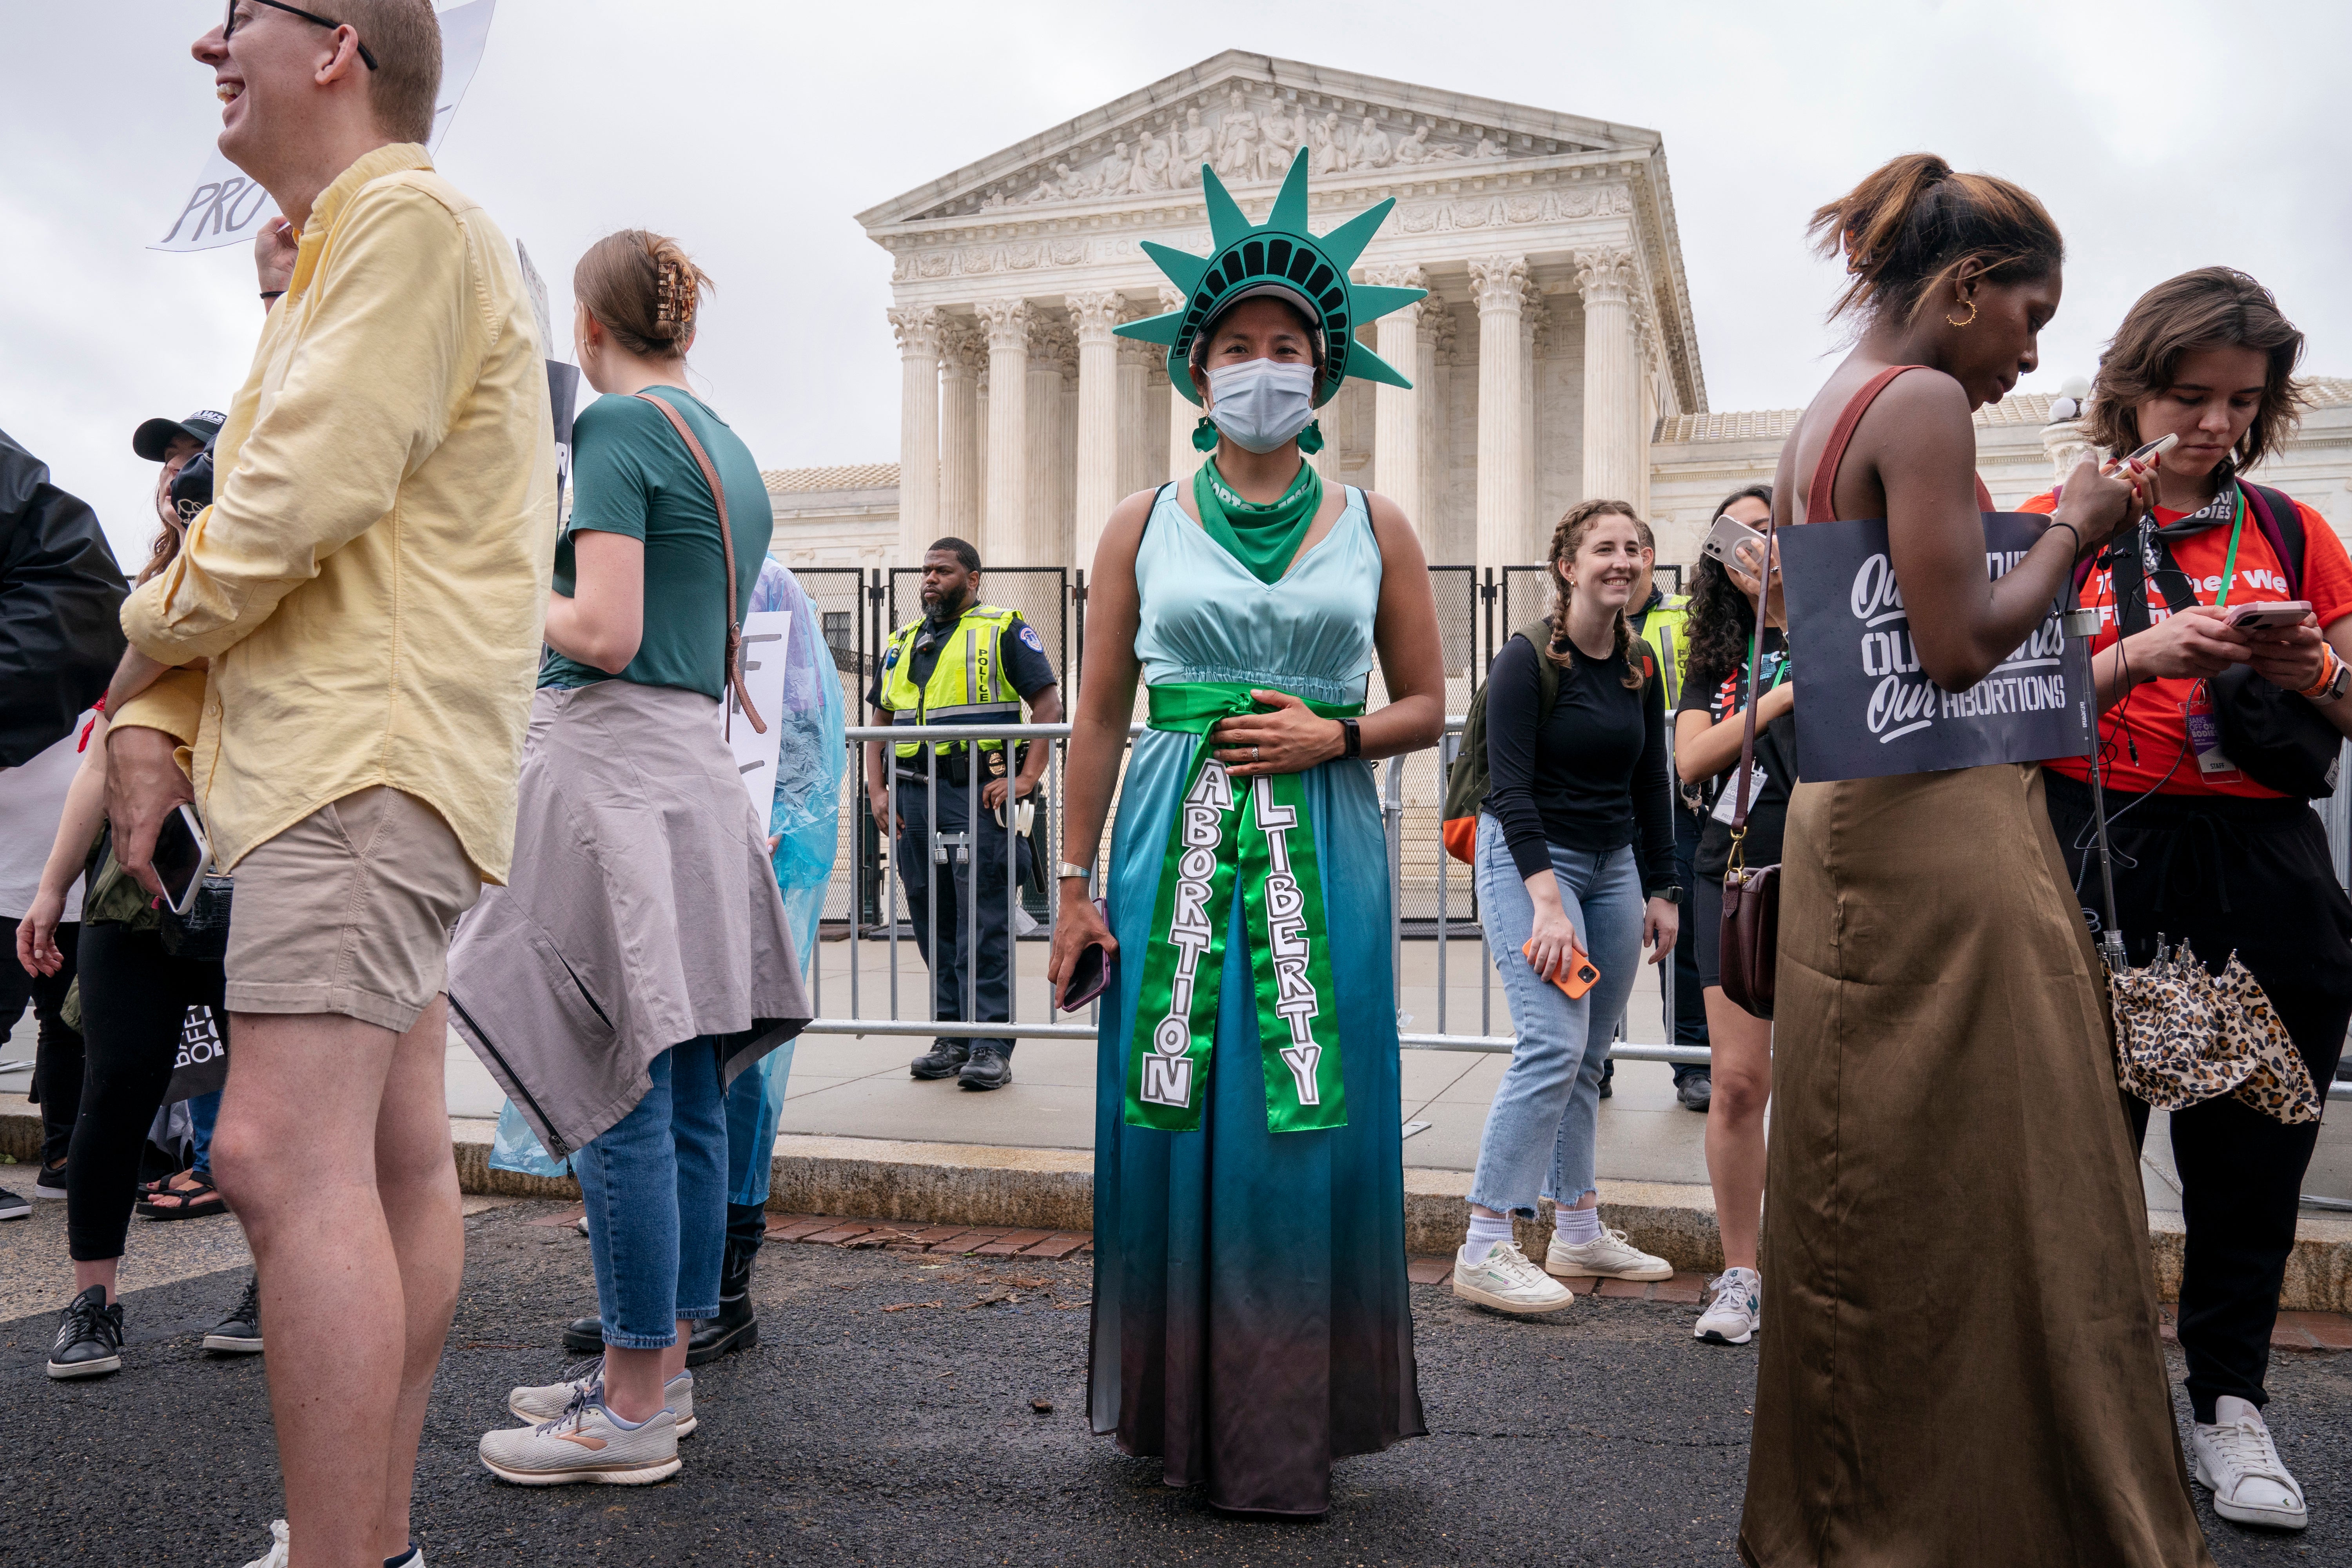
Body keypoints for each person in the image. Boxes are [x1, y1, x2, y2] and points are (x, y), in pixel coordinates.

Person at [107, 4, 557, 1561]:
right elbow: (276, 505)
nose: (203, 44)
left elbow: (290, 495)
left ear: (335, 46)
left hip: (357, 761)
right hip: (374, 757)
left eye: (237, 15)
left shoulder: (402, 220)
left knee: (274, 1152)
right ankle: (361, 1535)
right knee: (382, 1150)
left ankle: (350, 1548)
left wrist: (142, 641)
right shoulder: (349, 242)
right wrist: (164, 694)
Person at [1741, 154, 2207, 1566]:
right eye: (2029, 313)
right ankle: (2002, 1513)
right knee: (2008, 1175)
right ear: (1959, 291)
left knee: (1858, 1173)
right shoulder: (1928, 402)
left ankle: (1849, 1505)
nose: (2034, 351)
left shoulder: (1820, 415)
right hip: (1944, 827)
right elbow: (1957, 648)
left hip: (1846, 820)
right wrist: (2079, 520)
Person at [1052, 152, 1441, 1515]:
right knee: (1181, 1103)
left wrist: (1334, 736)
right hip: (1172, 837)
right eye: (1237, 346)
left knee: (1299, 1116)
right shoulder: (1137, 525)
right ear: (1196, 369)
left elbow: (1430, 707)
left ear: (1323, 373)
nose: (1261, 365)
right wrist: (1072, 886)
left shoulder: (1376, 525)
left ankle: (1284, 1430)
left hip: (1318, 842)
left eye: (1286, 347)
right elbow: (1098, 717)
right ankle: (1184, 1417)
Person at [451, 229, 808, 1486]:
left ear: (590, 336)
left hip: (609, 769)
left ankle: (631, 1404)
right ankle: (652, 1372)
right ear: (684, 328)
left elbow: (598, 630)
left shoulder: (613, 432)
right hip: (693, 776)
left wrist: (500, 581)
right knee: (691, 1088)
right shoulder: (733, 449)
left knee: (622, 1086)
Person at [2027, 267, 2352, 1534]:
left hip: (2257, 868)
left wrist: (2312, 661)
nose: (2215, 423)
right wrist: (2133, 656)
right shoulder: (2061, 522)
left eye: (2242, 401)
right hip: (2100, 857)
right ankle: (2090, 1418)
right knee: (2078, 1165)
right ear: (2131, 382)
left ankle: (2229, 1405)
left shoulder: (2291, 530)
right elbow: (1979, 698)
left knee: (2246, 1159)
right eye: (2188, 393)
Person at [557, 554, 844, 1365]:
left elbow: (799, 724)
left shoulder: (764, 584)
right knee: (647, 1063)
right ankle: (652, 1295)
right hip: (652, 835)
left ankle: (725, 1288)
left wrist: (777, 811)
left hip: (751, 841)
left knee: (730, 1065)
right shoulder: (616, 566)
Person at [25, 412, 263, 1379]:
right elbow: (103, 756)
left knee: (268, 1106)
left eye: (191, 456)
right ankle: (93, 1301)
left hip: (252, 878)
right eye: (168, 462)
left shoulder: (261, 585)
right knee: (113, 1091)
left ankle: (273, 1279)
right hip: (133, 892)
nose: (175, 472)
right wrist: (51, 893)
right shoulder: (149, 600)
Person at [1449, 499, 1681, 1316]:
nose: (1623, 560)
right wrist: (1547, 906)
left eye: (1636, 548)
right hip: (1528, 860)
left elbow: (1651, 781)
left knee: (1591, 1051)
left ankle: (1577, 1225)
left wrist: (1663, 886)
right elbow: (1509, 791)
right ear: (1568, 566)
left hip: (1615, 866)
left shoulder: (1639, 665)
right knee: (1551, 1040)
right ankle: (1484, 1243)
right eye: (1604, 548)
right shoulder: (1523, 659)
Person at [864, 539, 1062, 1091]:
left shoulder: (1003, 629)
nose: (929, 579)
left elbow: (1049, 707)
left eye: (942, 571)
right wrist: (877, 791)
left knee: (984, 918)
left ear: (972, 579)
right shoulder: (903, 642)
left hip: (976, 795)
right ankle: (951, 1035)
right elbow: (878, 724)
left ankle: (990, 1045)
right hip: (912, 799)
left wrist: (1026, 779)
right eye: (925, 570)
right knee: (933, 918)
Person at [0, 428, 128, 1223]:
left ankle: (64, 1150)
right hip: (41, 827)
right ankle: (63, 1151)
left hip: (63, 825)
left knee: (66, 1002)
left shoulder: (58, 546)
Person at [1670, 483, 1782, 1346]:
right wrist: (1780, 694)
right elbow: (1693, 756)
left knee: (1833, 1082)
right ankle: (1741, 1270)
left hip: (1839, 863)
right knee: (1739, 1081)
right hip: (1736, 869)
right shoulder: (1717, 650)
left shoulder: (1851, 624)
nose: (1756, 547)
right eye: (1738, 535)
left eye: (1773, 528)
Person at [1624, 520, 1711, 1111]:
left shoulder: (1687, 617)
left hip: (1676, 801)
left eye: (1630, 550)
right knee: (1592, 940)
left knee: (1679, 939)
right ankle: (1592, 1064)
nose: (1619, 565)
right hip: (1603, 803)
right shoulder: (1566, 629)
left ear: (1650, 557)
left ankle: (1692, 1066)